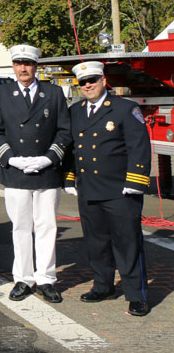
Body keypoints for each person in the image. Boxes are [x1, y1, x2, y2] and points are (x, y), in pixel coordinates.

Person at [65, 61, 151, 317]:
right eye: (83, 82)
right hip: (89, 189)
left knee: (128, 244)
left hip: (119, 191)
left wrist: (135, 183)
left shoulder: (126, 108)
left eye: (93, 80)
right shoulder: (76, 111)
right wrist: (70, 178)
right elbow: (73, 148)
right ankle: (103, 286)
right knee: (96, 243)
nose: (88, 85)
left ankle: (137, 296)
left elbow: (139, 147)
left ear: (104, 81)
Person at [0, 44, 71, 304]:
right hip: (16, 172)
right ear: (13, 66)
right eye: (18, 63)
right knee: (21, 228)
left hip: (46, 172)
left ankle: (46, 279)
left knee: (47, 226)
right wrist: (11, 157)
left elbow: (64, 130)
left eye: (28, 63)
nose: (23, 68)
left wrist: (48, 158)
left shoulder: (54, 92)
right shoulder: (1, 93)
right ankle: (23, 278)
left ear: (36, 66)